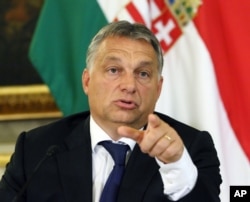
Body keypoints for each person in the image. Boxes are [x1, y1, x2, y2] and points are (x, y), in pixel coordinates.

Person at [0, 20, 222, 202]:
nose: (129, 85)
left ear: (158, 88)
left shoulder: (190, 149)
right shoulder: (37, 149)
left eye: (143, 73)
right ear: (87, 81)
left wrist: (176, 164)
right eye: (114, 70)